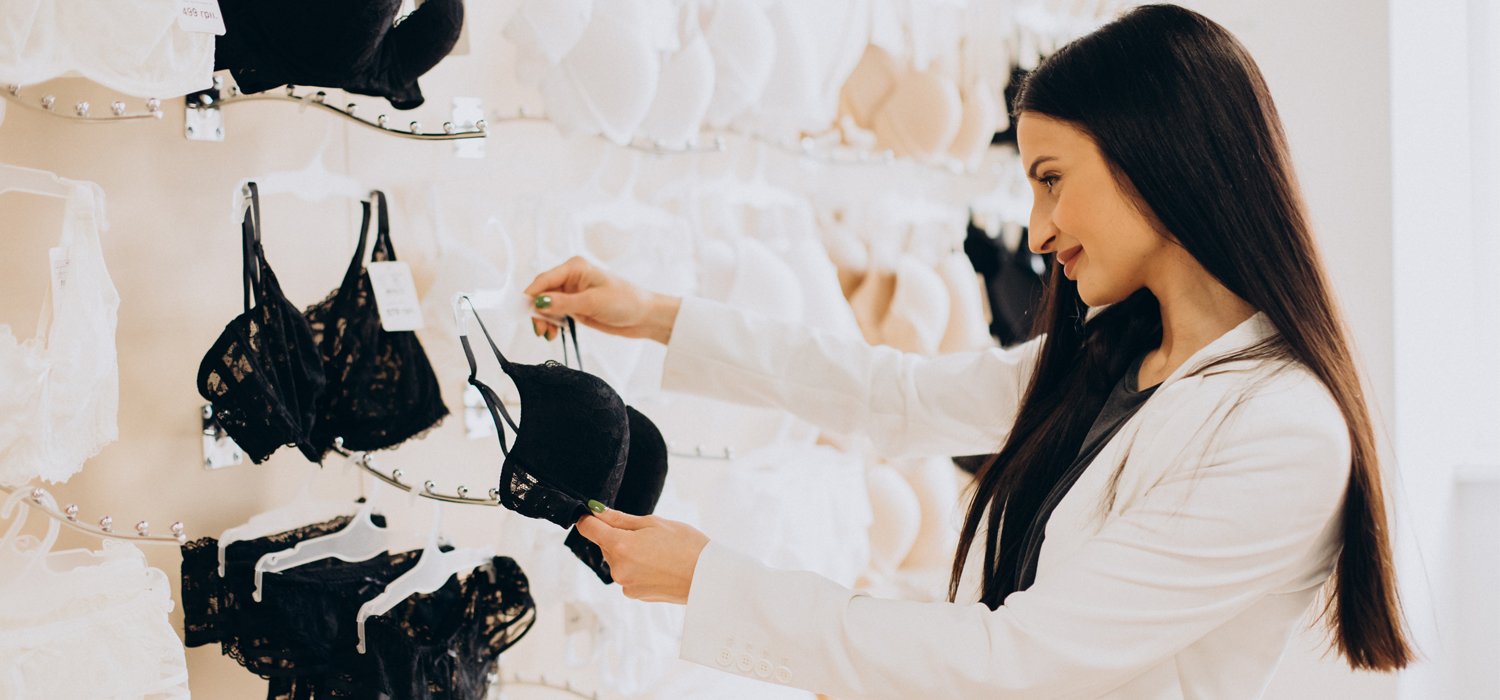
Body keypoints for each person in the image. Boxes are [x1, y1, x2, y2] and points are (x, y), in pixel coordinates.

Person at [523, 4, 1412, 698]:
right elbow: (894, 397)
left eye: (1052, 180)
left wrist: (710, 580)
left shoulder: (1282, 432)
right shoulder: (1119, 358)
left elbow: (1019, 662)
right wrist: (655, 314)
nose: (1037, 230)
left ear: (1160, 158)